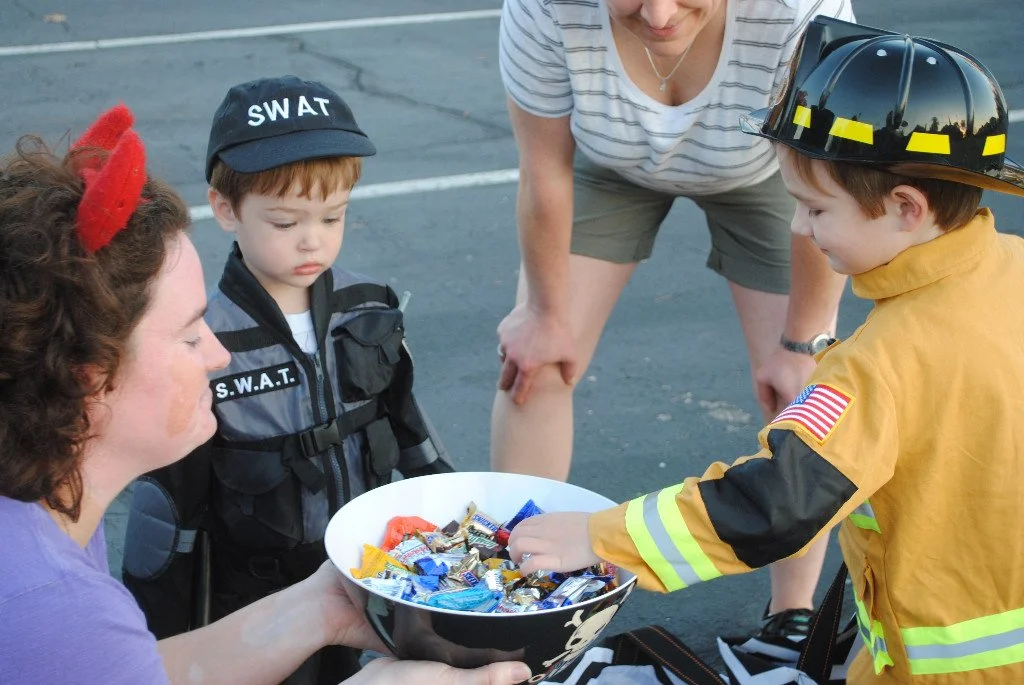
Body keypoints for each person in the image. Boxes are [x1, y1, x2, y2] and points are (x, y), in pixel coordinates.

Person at [507, 16, 1024, 683]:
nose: (799, 228)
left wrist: (602, 537)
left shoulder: (878, 366)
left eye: (814, 208)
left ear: (905, 207)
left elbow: (772, 501)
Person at [0, 105, 530, 685]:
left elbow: (130, 671)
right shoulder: (56, 608)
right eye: (188, 333)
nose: (218, 354)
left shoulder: (47, 524)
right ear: (89, 372)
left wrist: (316, 608)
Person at [494, 0, 857, 645]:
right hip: (609, 165)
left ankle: (791, 618)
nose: (659, 15)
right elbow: (543, 168)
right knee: (536, 362)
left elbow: (828, 174)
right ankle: (517, 597)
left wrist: (803, 339)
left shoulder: (798, 9)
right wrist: (545, 316)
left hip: (777, 170)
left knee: (804, 391)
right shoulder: (545, 7)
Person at [120, 76, 454, 684]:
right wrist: (155, 637)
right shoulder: (203, 339)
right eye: (283, 221)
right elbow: (167, 510)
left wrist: (461, 511)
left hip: (369, 575)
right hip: (254, 603)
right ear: (225, 210)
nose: (313, 239)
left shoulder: (368, 307)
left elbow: (414, 433)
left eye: (333, 216)